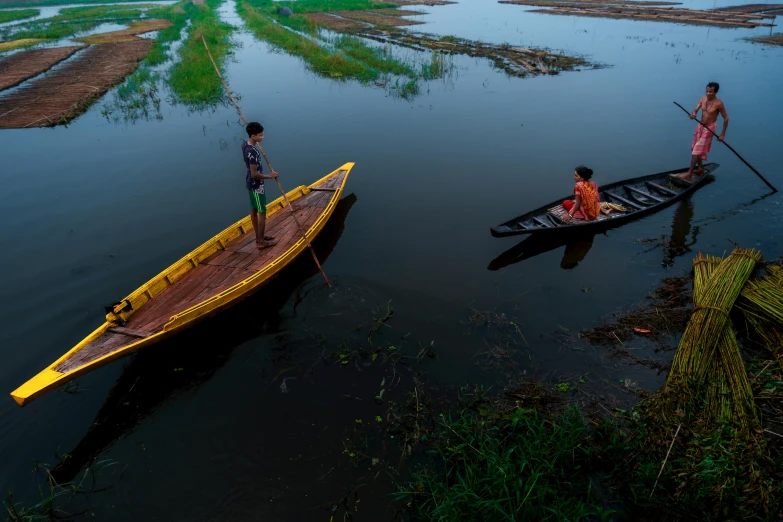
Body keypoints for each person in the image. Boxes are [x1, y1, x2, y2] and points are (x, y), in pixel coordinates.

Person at [676, 82, 729, 182]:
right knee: (694, 147)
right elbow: (695, 109)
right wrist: (693, 114)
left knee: (696, 150)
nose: (708, 93)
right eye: (707, 91)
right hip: (700, 125)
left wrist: (722, 134)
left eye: (711, 92)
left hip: (710, 128)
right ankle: (700, 169)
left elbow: (726, 118)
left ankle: (689, 174)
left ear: (716, 92)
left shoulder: (719, 103)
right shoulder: (702, 99)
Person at [242, 122, 279, 250]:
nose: (262, 137)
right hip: (256, 186)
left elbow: (244, 160)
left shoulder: (245, 144)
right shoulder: (253, 152)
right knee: (261, 212)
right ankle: (261, 242)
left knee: (254, 211)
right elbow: (254, 174)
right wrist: (270, 175)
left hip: (250, 184)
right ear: (253, 136)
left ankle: (259, 237)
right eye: (260, 135)